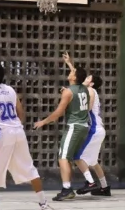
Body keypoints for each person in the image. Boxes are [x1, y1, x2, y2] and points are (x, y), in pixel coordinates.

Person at [0, 61, 54, 210]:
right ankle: (43, 203)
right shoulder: (11, 90)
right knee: (29, 167)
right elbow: (20, 112)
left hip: (2, 132)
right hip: (18, 130)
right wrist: (16, 126)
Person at [34, 54, 90, 201]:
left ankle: (67, 189)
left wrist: (43, 122)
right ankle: (72, 185)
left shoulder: (68, 92)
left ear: (74, 77)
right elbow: (78, 77)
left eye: (71, 72)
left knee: (63, 157)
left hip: (74, 126)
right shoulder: (83, 89)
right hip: (84, 126)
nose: (69, 73)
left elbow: (58, 113)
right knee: (70, 157)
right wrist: (69, 63)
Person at [75, 73, 111, 196]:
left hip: (95, 130)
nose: (85, 79)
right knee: (94, 162)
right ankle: (105, 187)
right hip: (99, 130)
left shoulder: (90, 90)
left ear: (92, 83)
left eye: (88, 78)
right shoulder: (90, 90)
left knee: (77, 156)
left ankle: (90, 183)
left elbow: (88, 107)